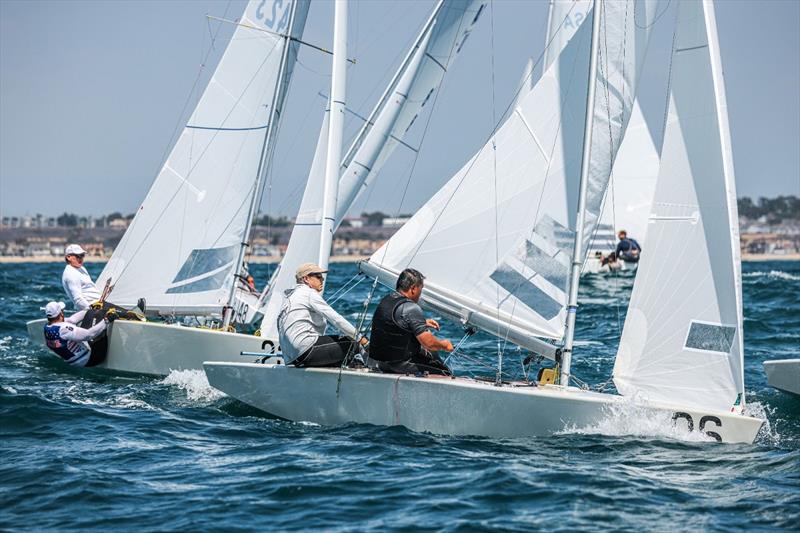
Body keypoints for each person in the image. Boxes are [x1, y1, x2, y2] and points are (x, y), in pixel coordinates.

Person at [277, 263, 368, 368]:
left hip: (290, 358)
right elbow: (336, 319)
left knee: (341, 346)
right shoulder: (308, 293)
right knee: (354, 344)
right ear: (306, 279)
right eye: (318, 276)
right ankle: (367, 372)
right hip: (305, 351)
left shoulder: (289, 298)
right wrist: (361, 339)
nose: (322, 280)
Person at [369, 268, 454, 376]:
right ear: (413, 288)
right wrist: (445, 345)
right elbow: (429, 343)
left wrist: (421, 322)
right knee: (444, 371)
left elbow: (394, 322)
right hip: (398, 365)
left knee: (428, 356)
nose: (420, 293)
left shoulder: (387, 300)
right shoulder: (411, 308)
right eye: (420, 289)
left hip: (378, 362)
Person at [42, 301, 118, 367]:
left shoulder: (48, 327)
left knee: (91, 313)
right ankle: (120, 313)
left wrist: (89, 309)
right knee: (98, 314)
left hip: (76, 362)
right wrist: (107, 320)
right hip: (93, 359)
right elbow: (88, 335)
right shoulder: (64, 329)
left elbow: (72, 320)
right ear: (61, 313)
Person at [62, 244, 101, 310]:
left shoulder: (82, 268)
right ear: (68, 257)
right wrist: (93, 310)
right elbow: (78, 300)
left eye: (82, 255)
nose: (81, 258)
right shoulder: (70, 274)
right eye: (78, 256)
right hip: (94, 308)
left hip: (99, 303)